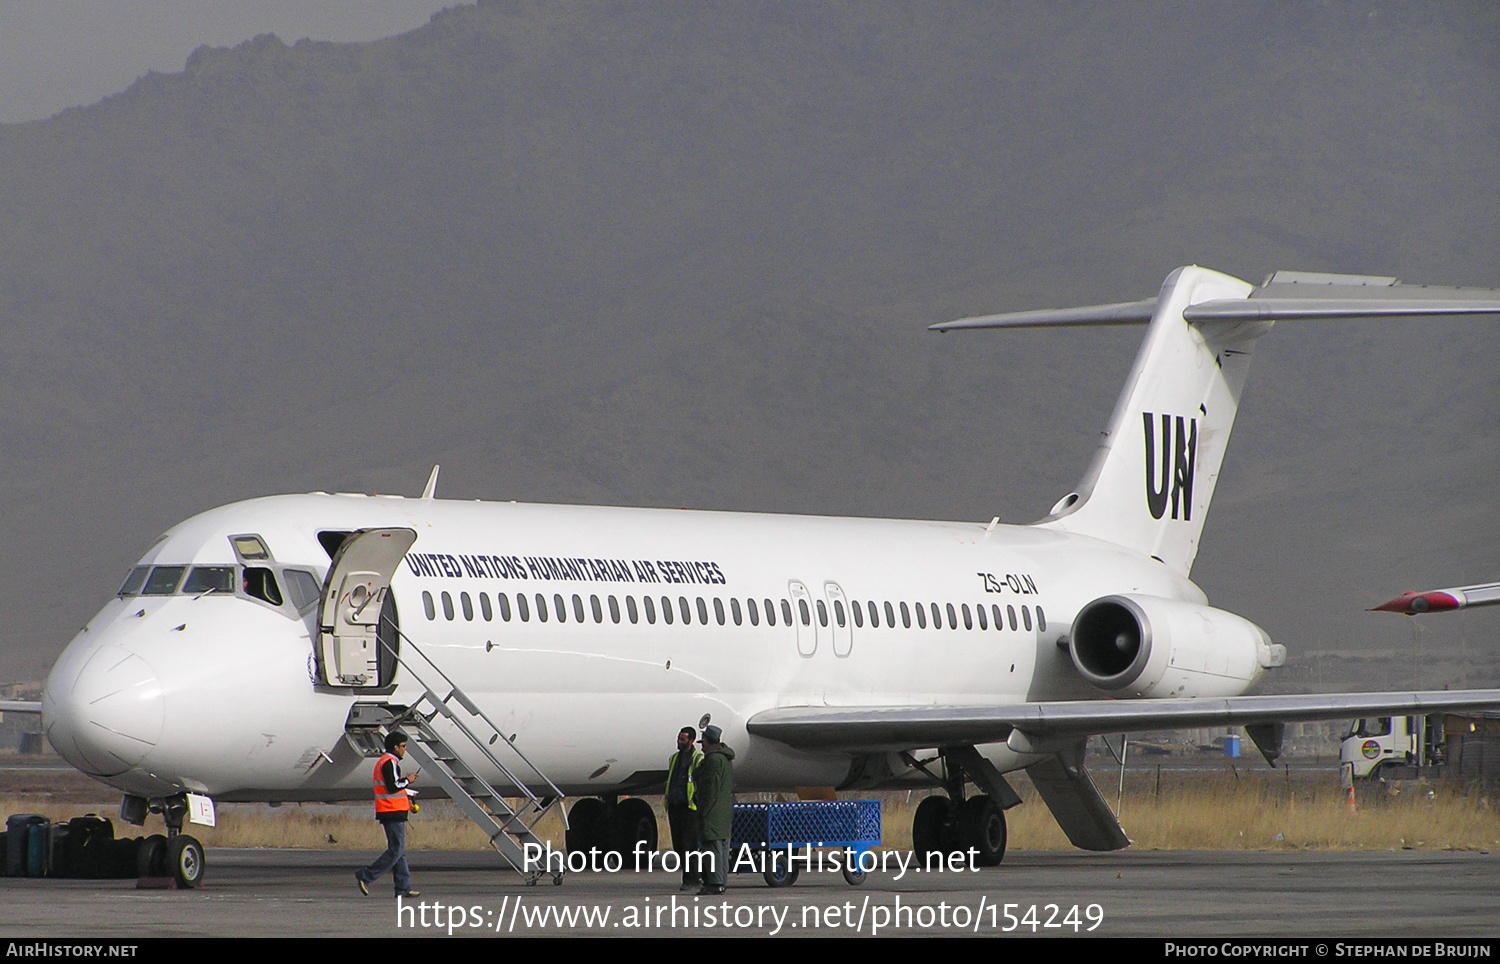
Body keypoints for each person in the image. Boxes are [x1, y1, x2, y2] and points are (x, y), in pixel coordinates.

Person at [356, 730, 420, 898]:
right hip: (391, 810)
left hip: (391, 810)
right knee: (396, 850)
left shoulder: (386, 761)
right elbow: (393, 786)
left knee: (399, 851)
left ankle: (403, 888)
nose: (404, 750)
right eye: (403, 746)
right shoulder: (389, 762)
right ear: (395, 747)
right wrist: (408, 780)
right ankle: (366, 875)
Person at [693, 724, 735, 895]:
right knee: (721, 849)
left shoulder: (713, 760)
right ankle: (720, 881)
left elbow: (710, 788)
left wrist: (703, 810)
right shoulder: (724, 759)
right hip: (723, 812)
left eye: (703, 742)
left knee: (712, 849)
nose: (701, 746)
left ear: (710, 743)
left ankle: (715, 883)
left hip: (713, 812)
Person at [665, 726, 703, 890]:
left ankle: (691, 879)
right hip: (675, 806)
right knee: (679, 845)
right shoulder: (674, 758)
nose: (679, 742)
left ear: (691, 740)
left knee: (689, 845)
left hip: (690, 808)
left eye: (683, 739)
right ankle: (691, 876)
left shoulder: (697, 758)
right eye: (678, 739)